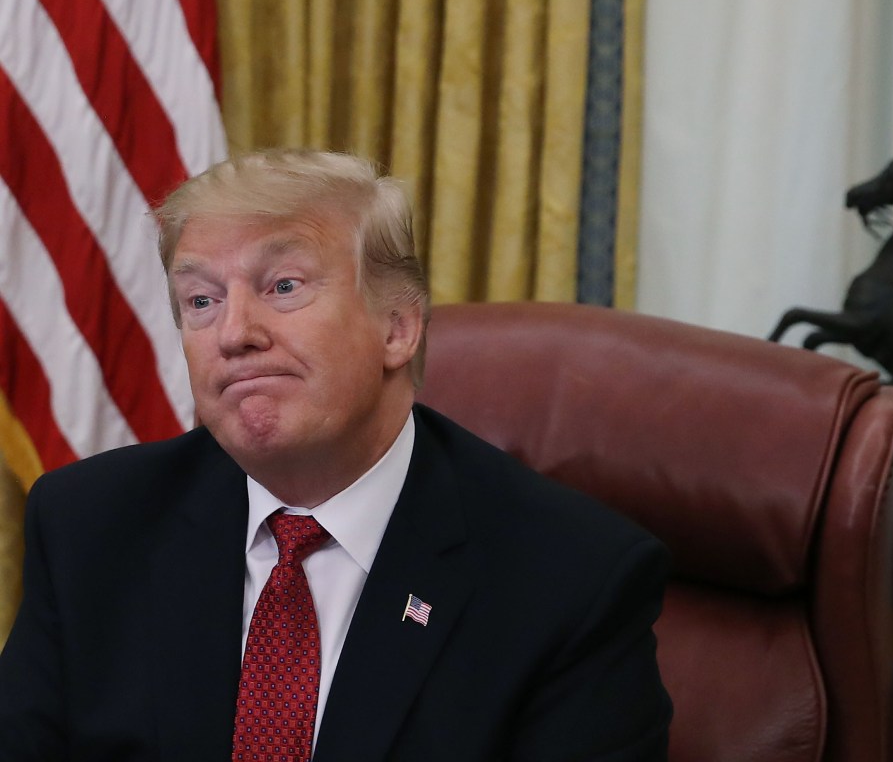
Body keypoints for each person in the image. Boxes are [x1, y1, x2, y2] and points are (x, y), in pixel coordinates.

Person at [0, 149, 672, 761]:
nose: (234, 333)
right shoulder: (91, 523)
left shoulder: (571, 578)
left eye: (283, 286)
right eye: (200, 300)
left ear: (397, 328)